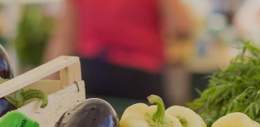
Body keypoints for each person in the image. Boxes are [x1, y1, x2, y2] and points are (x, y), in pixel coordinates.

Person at [46, 0, 193, 103]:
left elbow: (63, 38)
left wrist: (48, 87)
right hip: (137, 78)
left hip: (95, 75)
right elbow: (181, 27)